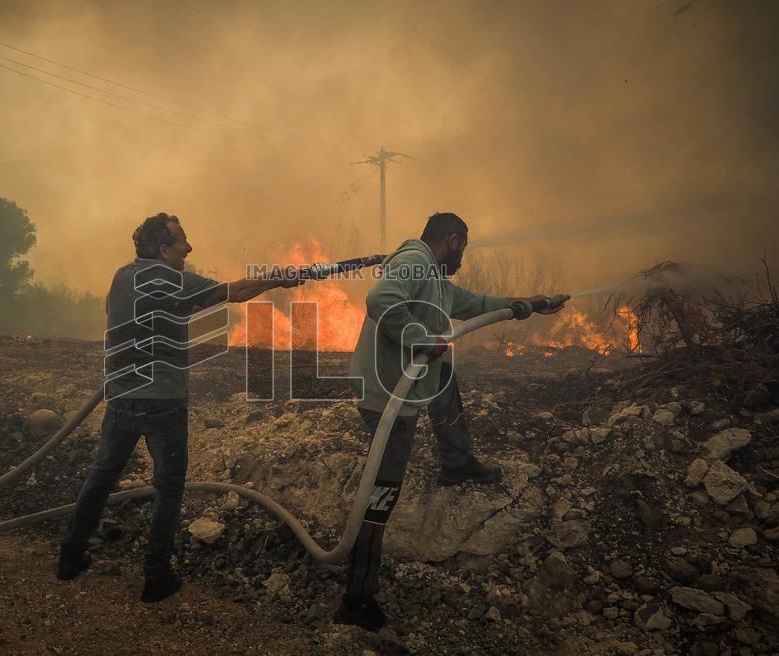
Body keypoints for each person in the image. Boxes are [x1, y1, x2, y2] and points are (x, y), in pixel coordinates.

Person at [57, 212, 302, 602]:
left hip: (121, 397)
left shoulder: (121, 277)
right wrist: (279, 279)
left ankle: (70, 557)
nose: (189, 248)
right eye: (182, 241)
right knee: (169, 488)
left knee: (102, 477)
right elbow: (237, 291)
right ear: (163, 249)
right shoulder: (175, 280)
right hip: (164, 401)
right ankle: (156, 577)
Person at [336, 211, 563, 630]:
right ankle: (356, 599)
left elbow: (475, 303)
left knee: (445, 376)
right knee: (382, 493)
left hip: (407, 381)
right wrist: (421, 339)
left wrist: (527, 304)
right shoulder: (415, 261)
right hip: (388, 395)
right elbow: (380, 301)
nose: (463, 258)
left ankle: (457, 462)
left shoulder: (436, 280)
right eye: (464, 248)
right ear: (453, 241)